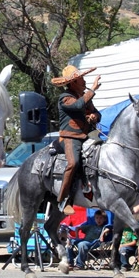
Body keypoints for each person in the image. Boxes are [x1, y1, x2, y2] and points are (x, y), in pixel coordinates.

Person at [52, 65, 101, 215]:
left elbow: (97, 113)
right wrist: (93, 89)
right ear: (73, 83)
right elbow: (78, 105)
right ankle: (63, 199)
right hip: (70, 137)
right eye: (81, 79)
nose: (84, 81)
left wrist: (94, 116)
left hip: (86, 135)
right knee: (73, 163)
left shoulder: (84, 96)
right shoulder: (65, 97)